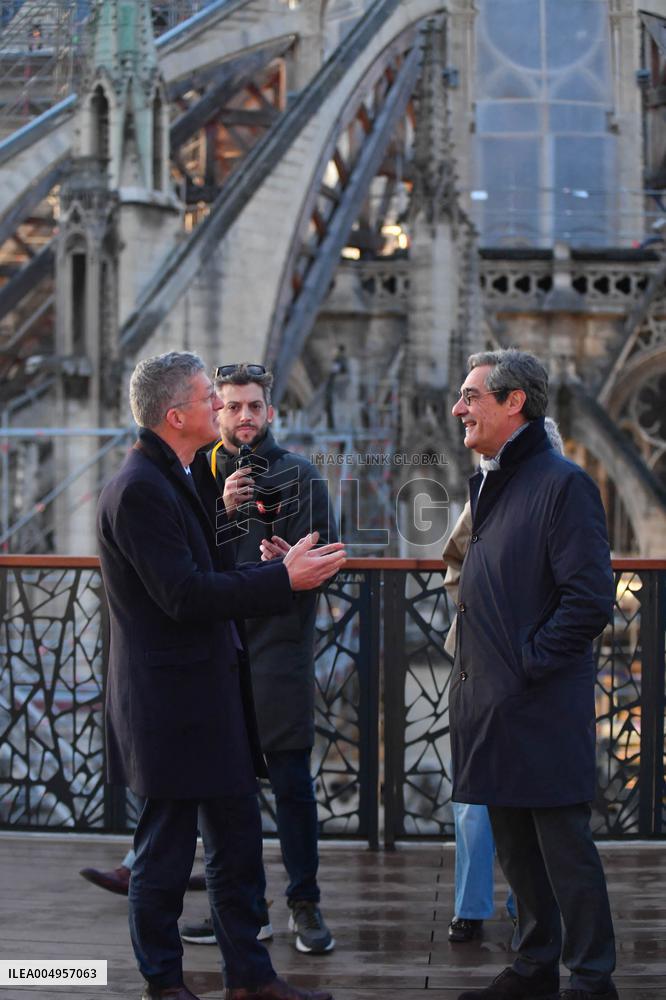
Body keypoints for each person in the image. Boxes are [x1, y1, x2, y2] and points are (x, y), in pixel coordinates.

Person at [97, 351, 345, 1000]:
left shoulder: (179, 476)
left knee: (236, 846)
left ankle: (251, 978)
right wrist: (281, 578)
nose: (221, 407)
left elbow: (206, 572)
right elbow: (184, 595)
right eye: (211, 398)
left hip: (212, 694)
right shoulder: (140, 489)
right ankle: (164, 984)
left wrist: (270, 556)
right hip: (173, 704)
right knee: (164, 857)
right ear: (176, 415)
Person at [448, 349, 618, 1000]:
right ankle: (533, 965)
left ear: (514, 401)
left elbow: (589, 599)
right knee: (517, 847)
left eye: (471, 396)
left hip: (536, 699)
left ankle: (593, 980)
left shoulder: (561, 482)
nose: (459, 407)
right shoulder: (496, 480)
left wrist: (527, 663)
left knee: (564, 850)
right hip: (492, 701)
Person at [180, 363, 336, 955]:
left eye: (254, 405)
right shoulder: (193, 478)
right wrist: (219, 508)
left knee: (292, 786)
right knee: (224, 793)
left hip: (276, 651)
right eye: (232, 406)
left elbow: (321, 557)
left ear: (270, 411)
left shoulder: (298, 475)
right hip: (215, 653)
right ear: (215, 412)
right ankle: (244, 910)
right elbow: (185, 566)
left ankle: (305, 904)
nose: (244, 416)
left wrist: (287, 564)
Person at [444, 418, 563, 944]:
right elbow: (454, 564)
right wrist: (476, 618)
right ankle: (470, 907)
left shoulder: (560, 497)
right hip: (478, 658)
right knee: (474, 793)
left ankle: (525, 904)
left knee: (529, 791)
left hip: (531, 663)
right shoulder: (485, 498)